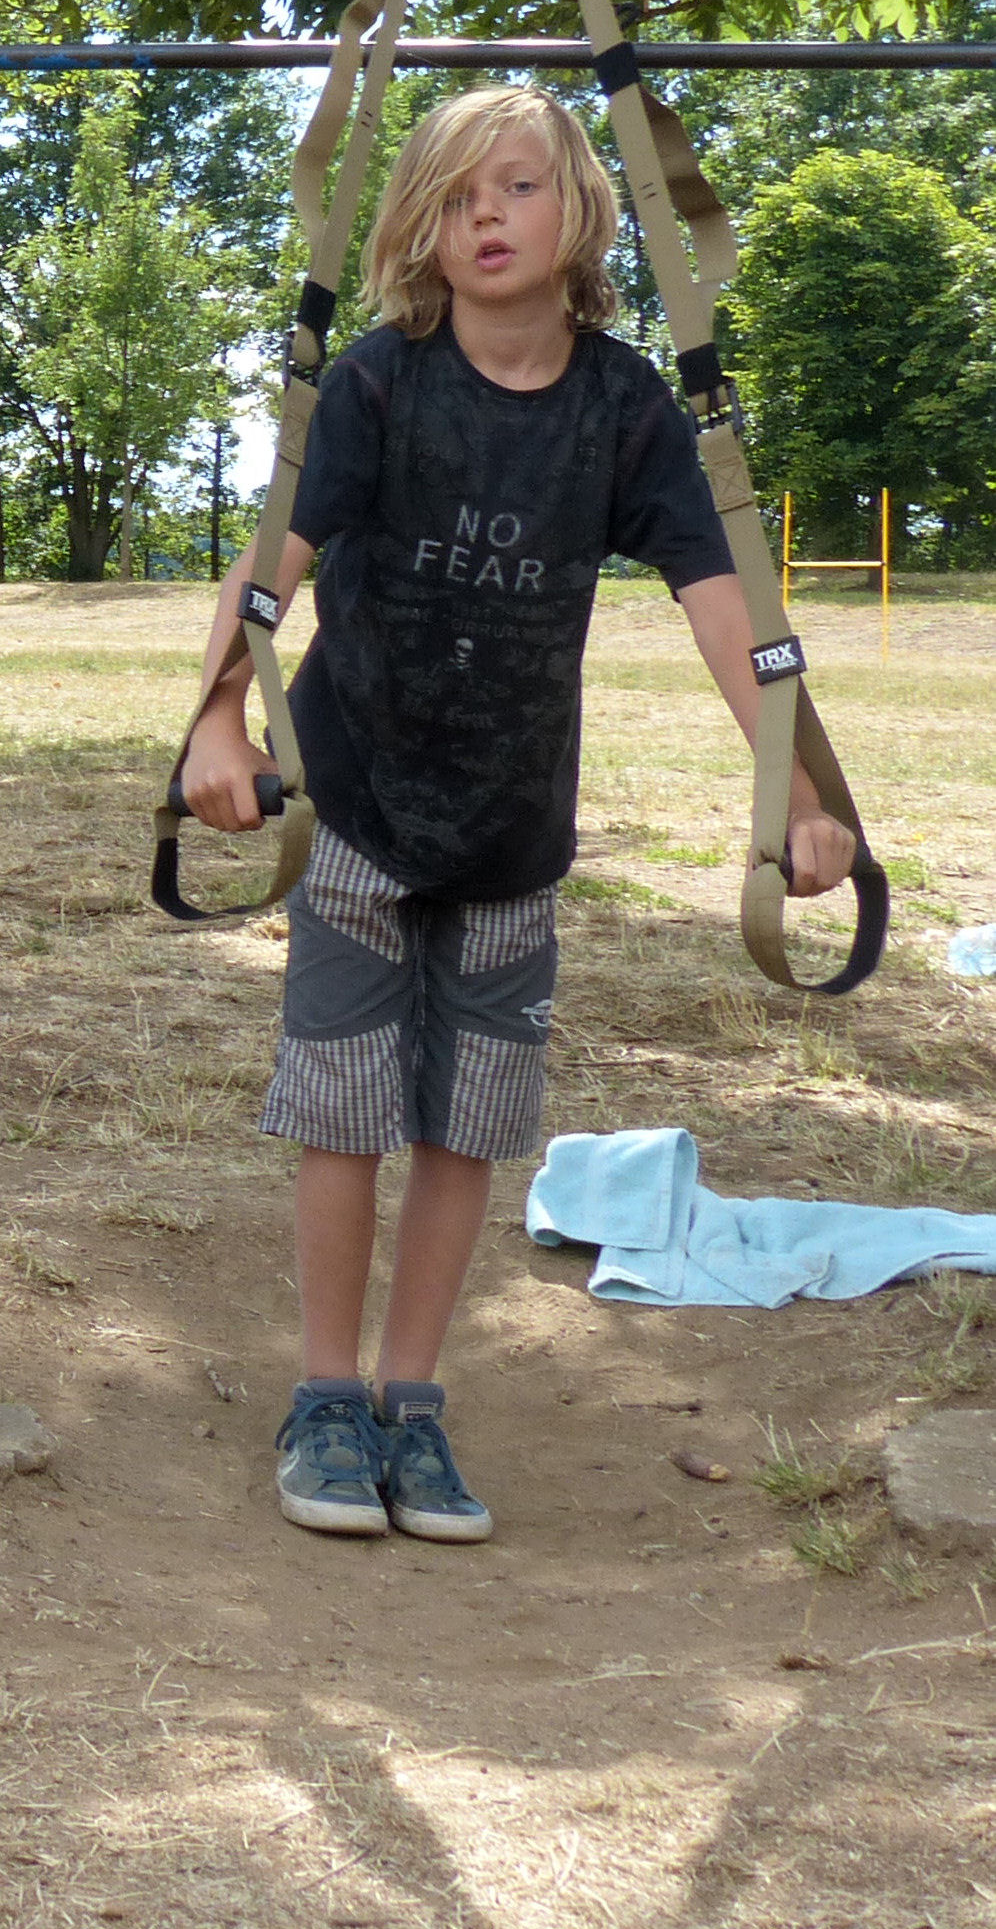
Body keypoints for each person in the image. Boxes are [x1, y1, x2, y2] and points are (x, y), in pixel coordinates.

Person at [181, 86, 855, 1547]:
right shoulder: (378, 383)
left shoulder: (626, 410)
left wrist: (798, 791)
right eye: (452, 196)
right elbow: (272, 561)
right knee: (344, 1111)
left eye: (517, 186)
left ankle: (411, 1401)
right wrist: (217, 718)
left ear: (584, 213)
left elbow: (724, 608)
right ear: (418, 231)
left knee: (465, 1126)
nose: (484, 214)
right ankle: (326, 1395)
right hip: (354, 808)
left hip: (508, 834)